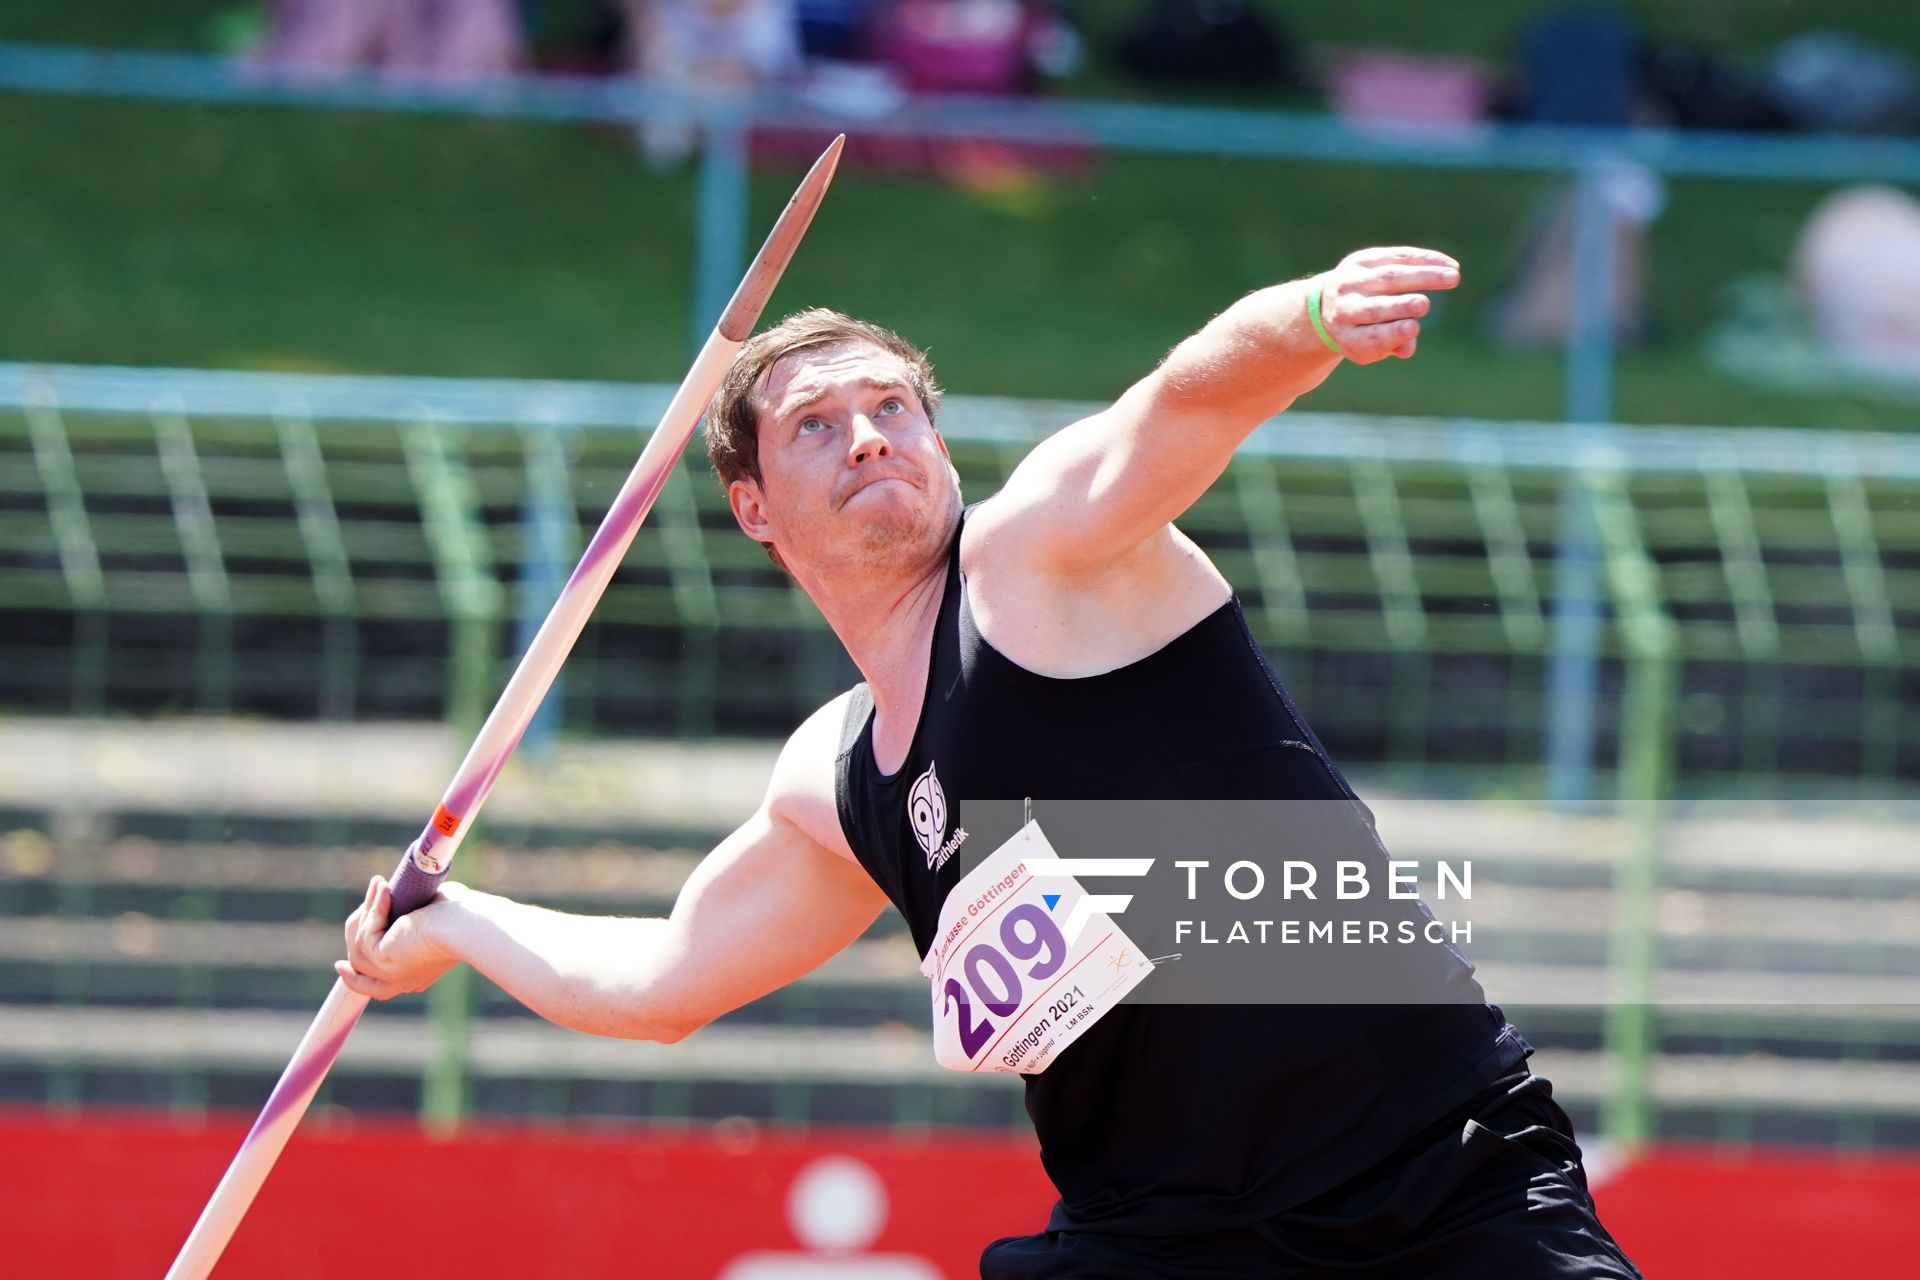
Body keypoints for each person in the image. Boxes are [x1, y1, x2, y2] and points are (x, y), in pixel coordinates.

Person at [338, 248, 1644, 1278]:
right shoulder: (835, 780)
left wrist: (1305, 317)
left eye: (893, 407)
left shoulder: (1039, 563)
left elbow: (1182, 402)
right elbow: (662, 981)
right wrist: (456, 922)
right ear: (753, 510)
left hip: (1427, 1175)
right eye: (815, 426)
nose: (867, 436)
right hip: (1157, 1240)